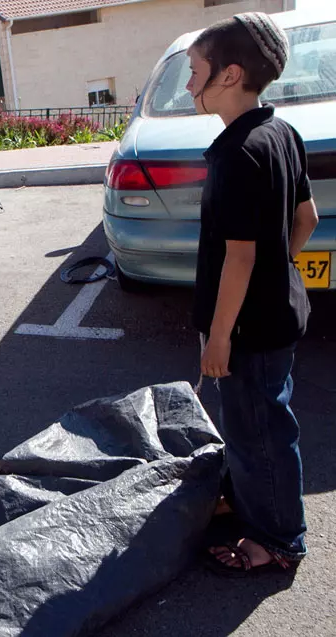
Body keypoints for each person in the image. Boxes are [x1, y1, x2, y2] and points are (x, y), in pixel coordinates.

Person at [186, 14, 318, 574]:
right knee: (264, 422)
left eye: (196, 72)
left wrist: (219, 338)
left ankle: (278, 539)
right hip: (276, 313)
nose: (190, 84)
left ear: (230, 74)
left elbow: (239, 257)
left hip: (247, 330)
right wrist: (278, 270)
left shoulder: (236, 153)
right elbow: (306, 218)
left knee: (257, 433)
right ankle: (250, 501)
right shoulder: (280, 133)